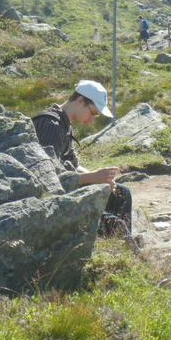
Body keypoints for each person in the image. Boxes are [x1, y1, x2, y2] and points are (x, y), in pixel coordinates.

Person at [32, 80, 132, 237]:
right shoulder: (50, 125)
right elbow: (47, 178)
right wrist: (93, 177)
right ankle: (118, 243)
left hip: (65, 187)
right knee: (121, 196)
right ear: (80, 101)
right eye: (93, 113)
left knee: (120, 192)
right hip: (50, 198)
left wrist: (100, 178)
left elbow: (73, 164)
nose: (92, 120)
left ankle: (119, 242)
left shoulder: (63, 124)